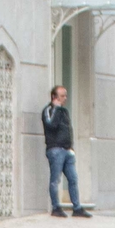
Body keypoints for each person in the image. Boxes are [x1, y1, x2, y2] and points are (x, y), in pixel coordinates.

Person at [43, 85, 86, 216]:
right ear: (54, 97)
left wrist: (71, 148)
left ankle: (77, 208)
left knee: (73, 179)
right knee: (55, 180)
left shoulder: (64, 111)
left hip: (67, 150)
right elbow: (51, 125)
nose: (65, 98)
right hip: (55, 150)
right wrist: (56, 108)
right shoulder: (49, 110)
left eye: (66, 95)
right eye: (62, 96)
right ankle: (56, 207)